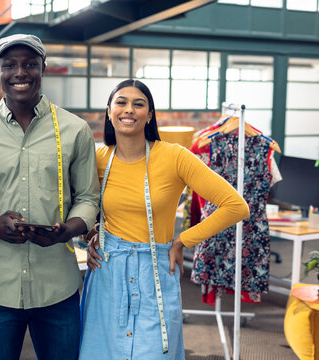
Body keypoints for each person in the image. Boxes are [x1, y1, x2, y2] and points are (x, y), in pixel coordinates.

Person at [80, 79, 250, 360]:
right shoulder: (98, 158)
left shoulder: (175, 157)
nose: (129, 110)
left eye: (139, 104)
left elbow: (235, 205)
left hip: (154, 271)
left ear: (149, 115)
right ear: (109, 111)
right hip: (108, 275)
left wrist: (184, 240)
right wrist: (92, 232)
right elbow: (80, 206)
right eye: (121, 102)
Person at [0, 34, 100, 360]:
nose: (20, 72)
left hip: (57, 287)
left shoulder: (75, 130)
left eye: (30, 64)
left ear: (43, 68)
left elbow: (89, 197)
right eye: (10, 65)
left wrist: (70, 229)